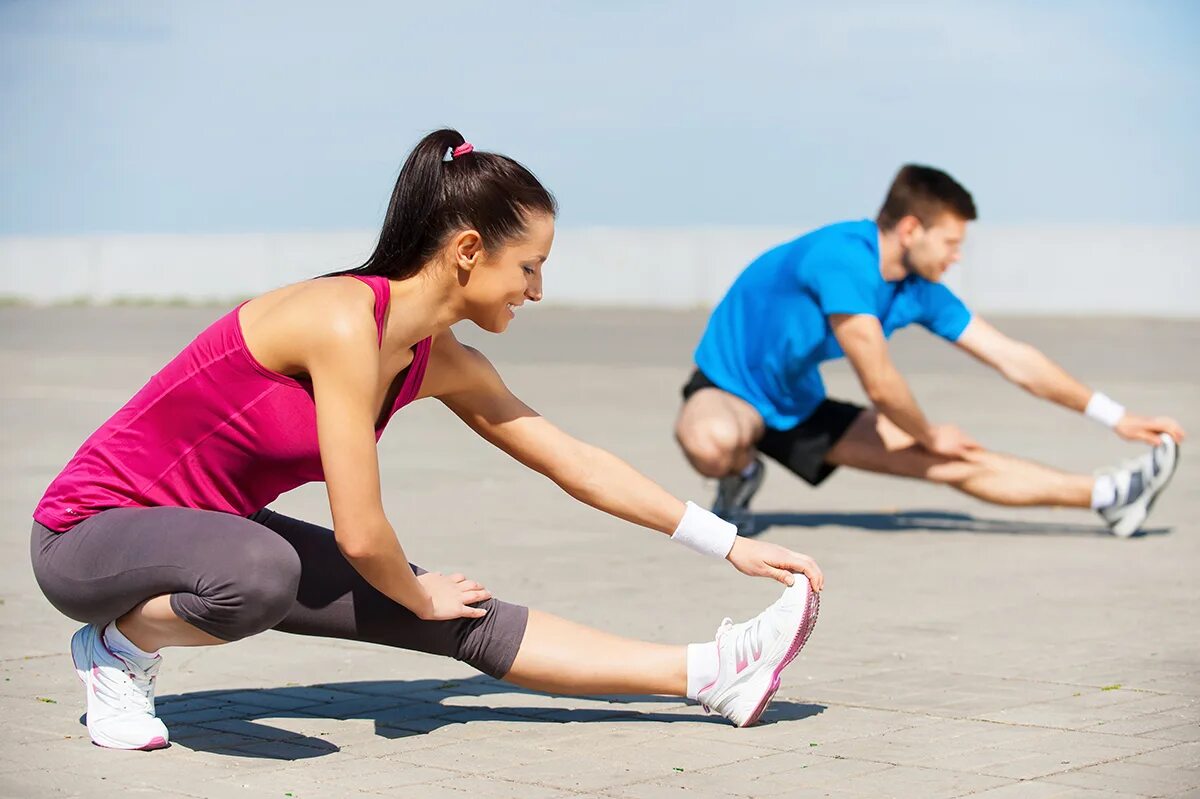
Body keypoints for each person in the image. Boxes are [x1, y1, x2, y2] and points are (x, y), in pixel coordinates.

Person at [30, 130, 823, 750]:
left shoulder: (440, 361)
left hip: (218, 536)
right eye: (531, 266)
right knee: (267, 574)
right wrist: (413, 593)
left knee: (462, 614)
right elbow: (362, 532)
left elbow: (574, 461)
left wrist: (730, 544)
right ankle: (115, 649)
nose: (539, 290)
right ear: (469, 250)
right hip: (88, 533)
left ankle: (713, 674)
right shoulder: (341, 320)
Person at [675, 165, 1184, 538]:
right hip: (731, 387)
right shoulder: (841, 257)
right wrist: (928, 433)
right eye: (951, 242)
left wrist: (1115, 417)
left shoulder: (918, 289)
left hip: (798, 404)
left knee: (948, 461)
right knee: (713, 441)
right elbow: (878, 380)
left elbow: (1014, 358)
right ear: (911, 229)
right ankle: (741, 474)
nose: (956, 257)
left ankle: (1112, 496)